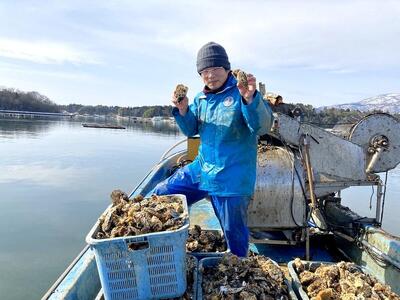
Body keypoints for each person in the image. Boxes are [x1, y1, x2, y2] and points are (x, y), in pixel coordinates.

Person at [153, 42, 273, 257]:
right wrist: (182, 111)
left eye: (215, 69)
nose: (210, 75)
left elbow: (262, 127)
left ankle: (238, 265)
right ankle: (165, 247)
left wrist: (250, 99)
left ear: (227, 69)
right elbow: (191, 130)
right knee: (161, 196)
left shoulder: (242, 92)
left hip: (232, 177)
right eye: (204, 71)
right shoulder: (201, 98)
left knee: (233, 234)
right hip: (201, 169)